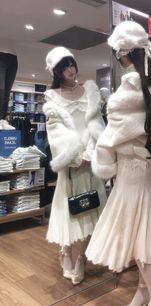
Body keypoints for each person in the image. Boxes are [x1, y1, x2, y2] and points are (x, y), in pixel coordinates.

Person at [85, 21, 151, 306]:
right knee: (143, 225)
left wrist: (100, 157)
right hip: (146, 164)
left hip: (130, 168)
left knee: (134, 231)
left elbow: (114, 132)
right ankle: (140, 298)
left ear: (124, 53)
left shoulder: (128, 88)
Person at [43, 46, 106, 285]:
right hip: (71, 165)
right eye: (63, 66)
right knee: (70, 212)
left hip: (92, 161)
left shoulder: (89, 92)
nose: (70, 69)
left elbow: (97, 125)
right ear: (56, 72)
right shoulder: (52, 97)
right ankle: (66, 252)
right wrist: (76, 157)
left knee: (93, 210)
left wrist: (93, 153)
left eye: (71, 64)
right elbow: (56, 133)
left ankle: (82, 259)